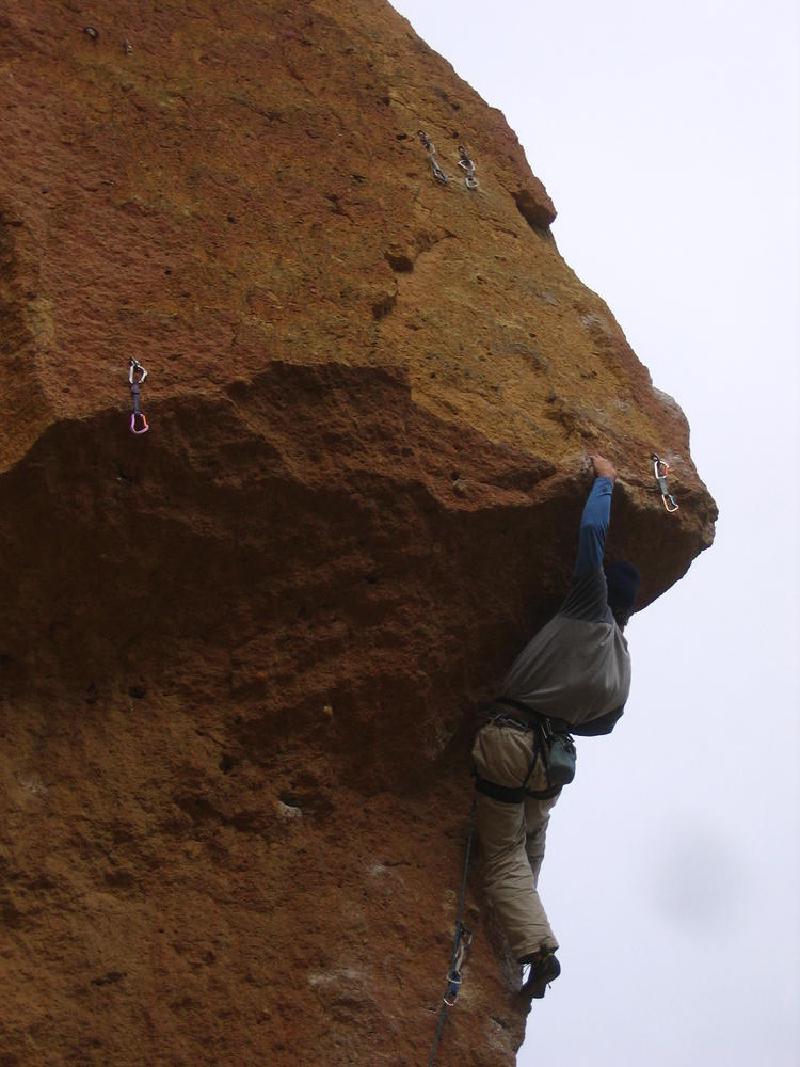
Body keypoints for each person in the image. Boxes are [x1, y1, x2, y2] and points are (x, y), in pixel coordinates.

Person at [471, 455, 640, 999]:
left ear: (602, 592)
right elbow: (606, 726)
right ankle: (525, 921)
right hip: (551, 759)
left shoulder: (589, 607)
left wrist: (605, 483)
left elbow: (592, 535)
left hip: (510, 736)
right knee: (530, 842)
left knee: (499, 856)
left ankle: (535, 949)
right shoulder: (622, 661)